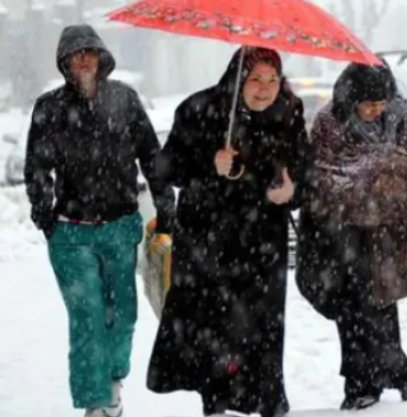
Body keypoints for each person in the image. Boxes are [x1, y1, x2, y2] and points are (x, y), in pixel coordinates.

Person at [146, 47, 307, 417]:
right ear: (238, 79)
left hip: (264, 242)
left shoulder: (289, 113)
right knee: (214, 327)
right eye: (255, 79)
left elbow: (304, 165)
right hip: (209, 241)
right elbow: (168, 169)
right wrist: (209, 163)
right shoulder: (198, 109)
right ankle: (215, 401)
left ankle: (266, 399)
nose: (265, 89)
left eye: (272, 80)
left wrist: (292, 187)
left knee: (261, 327)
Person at [24, 24, 176, 417]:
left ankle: (112, 379)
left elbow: (151, 155)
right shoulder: (50, 108)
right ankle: (96, 402)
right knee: (88, 315)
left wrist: (164, 202)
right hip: (71, 234)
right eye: (77, 54)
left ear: (103, 57)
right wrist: (45, 216)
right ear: (65, 63)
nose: (85, 59)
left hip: (120, 226)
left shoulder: (124, 100)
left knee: (123, 313)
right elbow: (37, 168)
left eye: (91, 51)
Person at [296, 62, 407, 410]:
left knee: (381, 306)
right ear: (351, 97)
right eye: (368, 103)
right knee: (353, 308)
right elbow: (327, 176)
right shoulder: (330, 122)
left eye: (382, 101)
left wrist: (391, 176)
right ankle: (379, 377)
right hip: (342, 233)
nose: (376, 109)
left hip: (388, 233)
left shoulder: (401, 115)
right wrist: (378, 171)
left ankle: (376, 379)